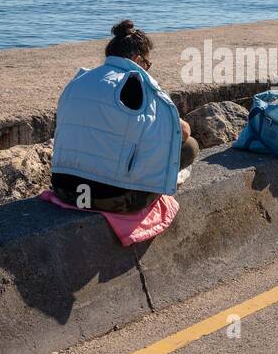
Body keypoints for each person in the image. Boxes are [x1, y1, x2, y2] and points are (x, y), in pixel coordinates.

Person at [51, 20, 200, 214]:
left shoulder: (78, 80)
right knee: (190, 146)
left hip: (65, 190)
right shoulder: (138, 83)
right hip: (109, 197)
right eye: (147, 64)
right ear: (138, 60)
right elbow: (183, 132)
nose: (147, 69)